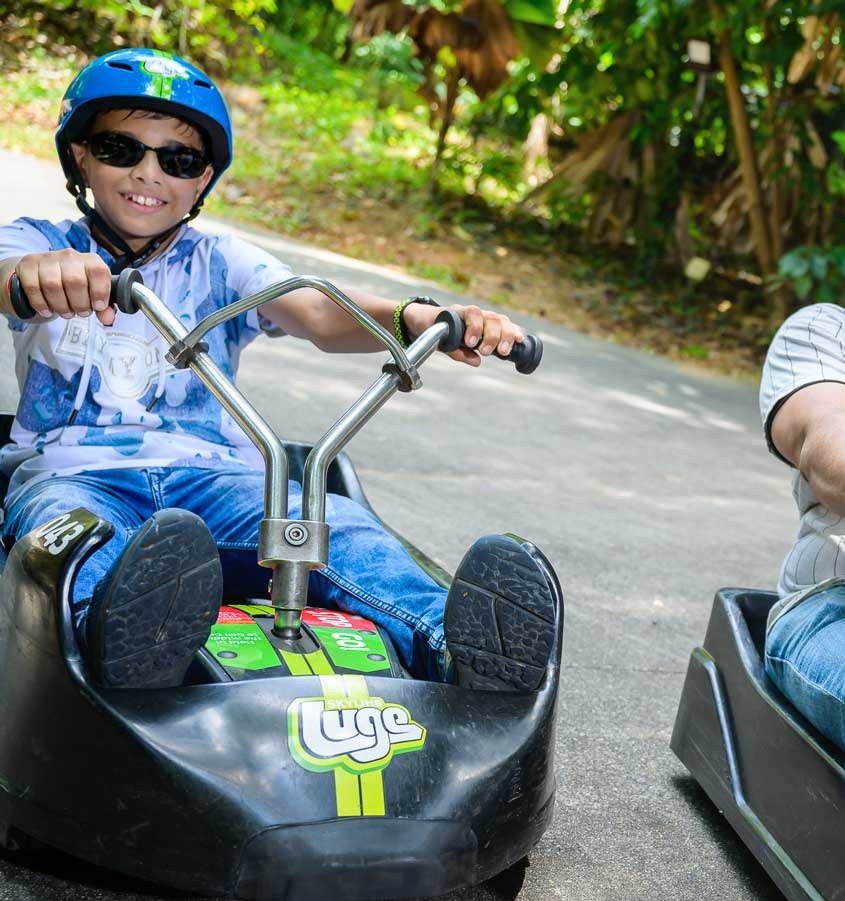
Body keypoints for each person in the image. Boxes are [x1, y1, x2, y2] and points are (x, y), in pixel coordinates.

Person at [0, 48, 557, 691]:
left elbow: (318, 310)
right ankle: (125, 637)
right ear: (80, 157)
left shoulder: (222, 260)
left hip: (216, 481)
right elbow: (7, 277)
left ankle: (461, 649)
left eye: (178, 159)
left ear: (203, 179)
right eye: (121, 148)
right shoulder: (37, 241)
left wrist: (415, 314)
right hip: (77, 474)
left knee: (337, 529)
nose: (148, 173)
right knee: (70, 543)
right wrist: (40, 275)